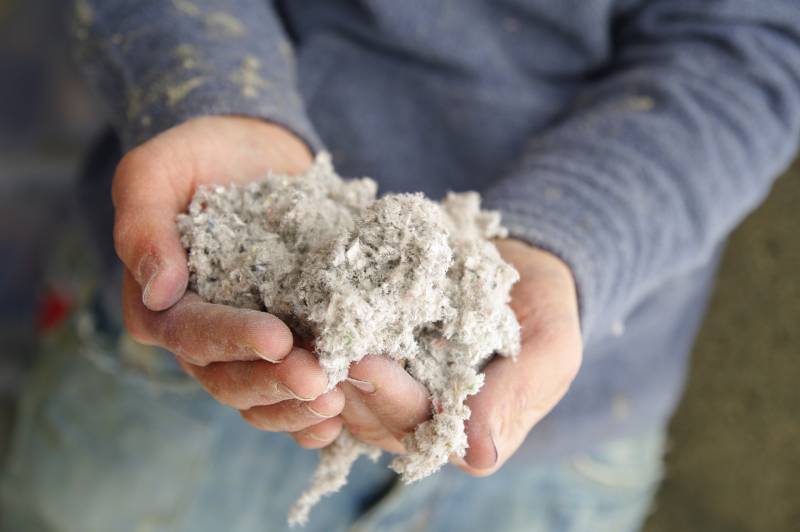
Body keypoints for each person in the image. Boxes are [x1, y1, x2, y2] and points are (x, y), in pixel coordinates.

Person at [2, 1, 799, 531]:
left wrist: (569, 236)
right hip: (190, 351)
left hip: (557, 414)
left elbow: (755, 43)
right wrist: (212, 92)